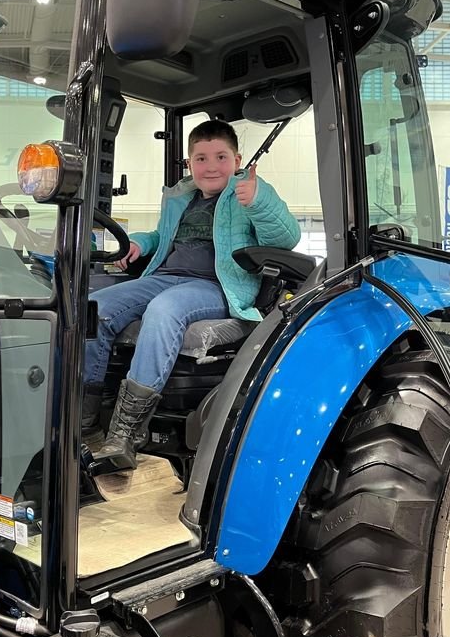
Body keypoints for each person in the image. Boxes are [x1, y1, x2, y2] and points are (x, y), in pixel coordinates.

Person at [84, 119, 301, 470]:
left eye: (220, 157)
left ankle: (126, 433)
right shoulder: (181, 196)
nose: (211, 166)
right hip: (166, 275)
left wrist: (258, 202)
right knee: (95, 306)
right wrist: (140, 242)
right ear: (189, 163)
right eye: (201, 158)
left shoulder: (249, 191)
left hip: (217, 284)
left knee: (164, 310)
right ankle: (85, 421)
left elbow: (286, 237)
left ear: (237, 160)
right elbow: (163, 236)